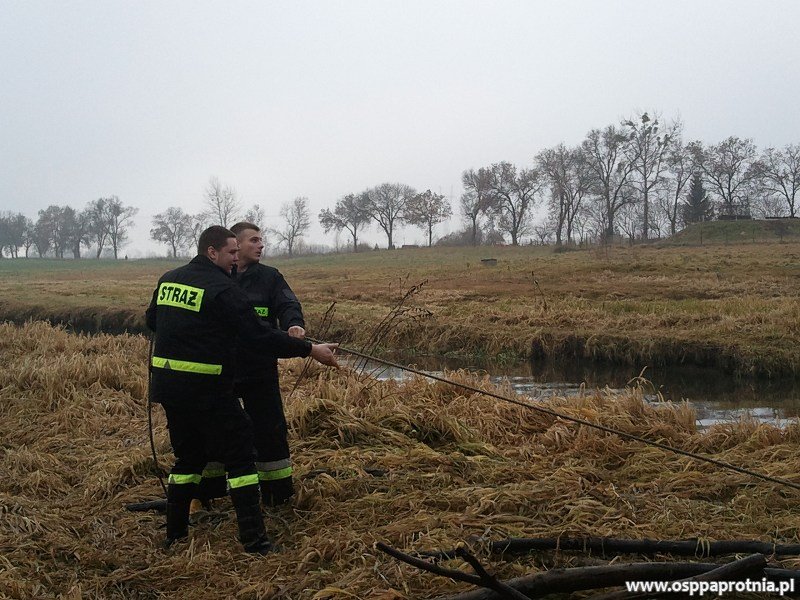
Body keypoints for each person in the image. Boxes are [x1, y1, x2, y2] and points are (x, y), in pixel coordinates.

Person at [145, 225, 337, 554]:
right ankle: (254, 540)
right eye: (232, 252)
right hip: (209, 387)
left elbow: (153, 320)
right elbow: (258, 336)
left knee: (187, 458)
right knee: (241, 455)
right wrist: (310, 350)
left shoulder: (169, 280)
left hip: (169, 387)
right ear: (212, 252)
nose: (236, 259)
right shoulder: (223, 288)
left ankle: (175, 535)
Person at [195, 221, 308, 508]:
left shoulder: (270, 277)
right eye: (253, 241)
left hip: (259, 368)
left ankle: (277, 495)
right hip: (222, 371)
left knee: (269, 429)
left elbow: (288, 304)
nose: (260, 245)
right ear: (235, 245)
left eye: (262, 241)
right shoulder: (215, 278)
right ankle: (211, 494)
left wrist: (293, 325)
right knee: (216, 430)